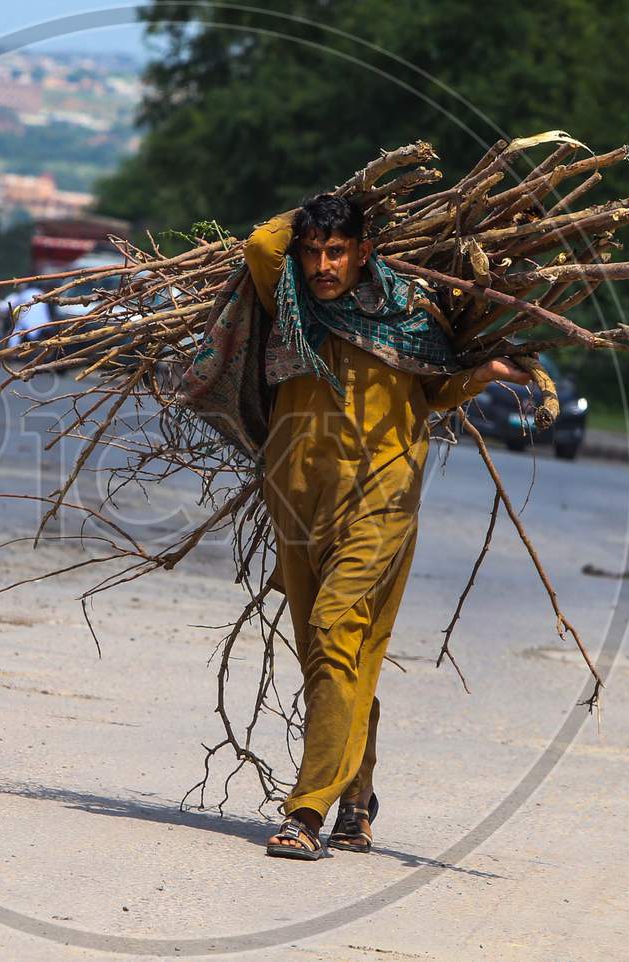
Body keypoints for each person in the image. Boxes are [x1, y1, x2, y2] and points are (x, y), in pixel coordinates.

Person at [240, 194, 531, 861]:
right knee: (336, 655)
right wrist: (336, 197)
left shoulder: (410, 312)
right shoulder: (288, 298)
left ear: (364, 251)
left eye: (336, 250)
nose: (320, 265)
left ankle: (306, 811)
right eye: (312, 251)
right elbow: (261, 243)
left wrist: (481, 374)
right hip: (299, 498)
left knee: (335, 630)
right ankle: (358, 801)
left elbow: (434, 389)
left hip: (382, 497)